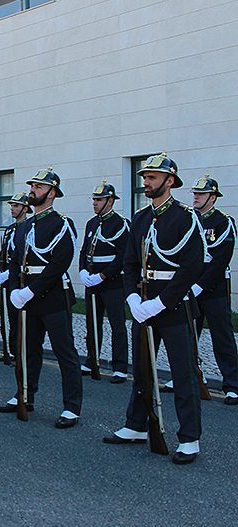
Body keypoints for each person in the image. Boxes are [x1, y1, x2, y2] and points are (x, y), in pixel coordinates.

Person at [103, 152, 206, 464]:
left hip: (173, 306)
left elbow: (191, 267)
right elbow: (130, 262)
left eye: (152, 177)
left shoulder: (185, 217)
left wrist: (161, 302)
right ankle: (136, 424)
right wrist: (133, 298)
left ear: (170, 180)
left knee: (183, 371)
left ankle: (189, 437)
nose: (145, 182)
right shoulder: (141, 218)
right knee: (143, 370)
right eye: (144, 177)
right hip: (144, 303)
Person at [2, 167, 82, 428]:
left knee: (64, 353)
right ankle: (24, 393)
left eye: (38, 187)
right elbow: (15, 262)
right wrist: (15, 289)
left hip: (53, 297)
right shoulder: (25, 226)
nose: (32, 190)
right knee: (27, 350)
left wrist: (30, 291)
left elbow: (59, 264)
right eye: (32, 186)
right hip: (27, 297)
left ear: (52, 193)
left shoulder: (61, 224)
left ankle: (71, 406)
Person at [189, 174, 238, 405]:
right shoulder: (190, 220)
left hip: (214, 288)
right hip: (191, 286)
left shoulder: (223, 222)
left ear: (213, 197)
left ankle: (232, 384)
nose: (196, 197)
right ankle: (188, 376)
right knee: (188, 335)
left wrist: (200, 285)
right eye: (195, 194)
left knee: (223, 336)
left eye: (201, 194)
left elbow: (219, 260)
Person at [79, 181, 130, 383]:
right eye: (94, 199)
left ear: (110, 200)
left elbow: (122, 256)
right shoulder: (92, 223)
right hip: (92, 279)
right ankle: (92, 359)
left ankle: (120, 367)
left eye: (98, 200)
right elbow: (84, 250)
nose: (95, 203)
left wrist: (103, 276)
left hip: (112, 281)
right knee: (92, 323)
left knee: (117, 324)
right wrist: (83, 271)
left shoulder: (120, 224)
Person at [0, 193, 30, 365]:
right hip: (6, 278)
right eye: (12, 206)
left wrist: (10, 272)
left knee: (19, 318)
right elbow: (3, 253)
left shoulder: (29, 227)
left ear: (25, 208)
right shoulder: (9, 229)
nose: (12, 209)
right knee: (7, 317)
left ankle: (21, 351)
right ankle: (10, 350)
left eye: (16, 206)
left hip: (19, 278)